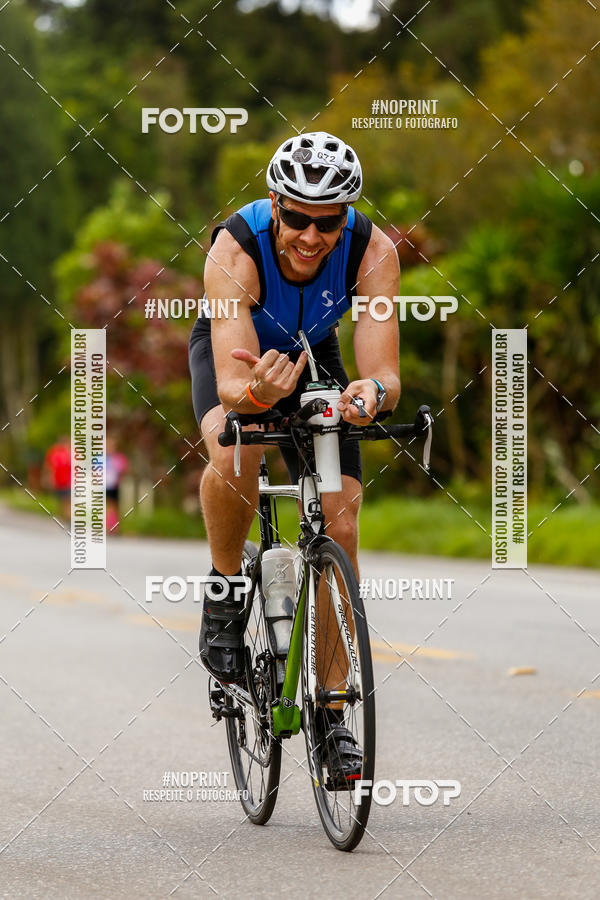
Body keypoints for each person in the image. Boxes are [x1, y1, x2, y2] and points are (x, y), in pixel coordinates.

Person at [189, 131, 400, 780]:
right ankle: (226, 590)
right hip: (246, 359)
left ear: (346, 217)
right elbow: (231, 383)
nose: (312, 236)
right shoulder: (235, 249)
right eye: (299, 218)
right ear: (276, 203)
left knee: (341, 524)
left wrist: (371, 394)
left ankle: (332, 714)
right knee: (237, 445)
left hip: (316, 359)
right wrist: (255, 393)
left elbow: (384, 372)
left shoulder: (373, 250)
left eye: (328, 221)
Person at [44, 437, 71, 520]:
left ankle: (68, 516)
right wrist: (49, 478)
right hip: (58, 481)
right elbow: (48, 466)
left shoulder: (71, 452)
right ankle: (63, 515)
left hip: (69, 481)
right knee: (61, 499)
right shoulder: (54, 452)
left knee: (67, 499)